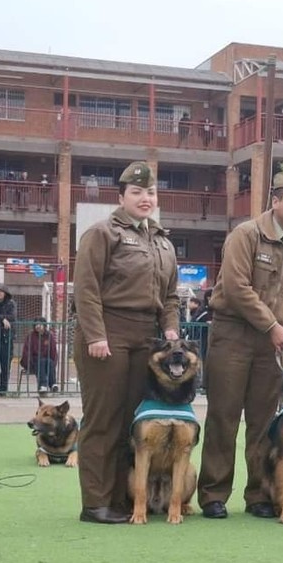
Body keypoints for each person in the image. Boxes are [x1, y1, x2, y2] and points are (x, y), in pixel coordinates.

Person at [197, 169, 283, 520]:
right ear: (275, 201)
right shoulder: (246, 234)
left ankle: (259, 495)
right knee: (223, 417)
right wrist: (272, 325)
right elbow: (236, 287)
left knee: (264, 422)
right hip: (234, 335)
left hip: (274, 346)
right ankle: (213, 494)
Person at [73, 161, 180, 524]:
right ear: (121, 197)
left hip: (146, 337)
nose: (145, 198)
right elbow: (86, 288)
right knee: (103, 419)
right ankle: (95, 503)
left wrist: (170, 329)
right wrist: (96, 335)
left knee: (133, 421)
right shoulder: (102, 233)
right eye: (137, 192)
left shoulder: (163, 242)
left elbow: (171, 296)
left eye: (150, 192)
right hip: (109, 332)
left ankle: (121, 498)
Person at [21, 317, 59, 393]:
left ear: (44, 325)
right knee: (41, 361)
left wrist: (53, 362)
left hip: (46, 361)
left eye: (40, 324)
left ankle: (53, 384)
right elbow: (27, 351)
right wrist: (29, 363)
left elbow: (53, 351)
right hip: (33, 361)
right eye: (36, 324)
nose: (38, 326)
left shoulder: (49, 335)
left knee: (49, 362)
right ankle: (43, 385)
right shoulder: (31, 336)